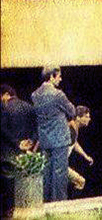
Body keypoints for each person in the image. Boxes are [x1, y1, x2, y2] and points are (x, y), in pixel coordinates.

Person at [31, 66, 76, 203]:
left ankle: (46, 202)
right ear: (51, 77)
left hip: (45, 139)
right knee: (60, 172)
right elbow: (72, 111)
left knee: (47, 172)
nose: (60, 79)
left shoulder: (35, 95)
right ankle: (59, 203)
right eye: (59, 76)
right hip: (60, 138)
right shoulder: (58, 94)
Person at [1, 85, 36, 218]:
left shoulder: (4, 108)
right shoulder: (29, 107)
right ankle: (24, 210)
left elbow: (3, 129)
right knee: (23, 180)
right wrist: (30, 142)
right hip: (25, 152)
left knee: (8, 183)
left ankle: (9, 211)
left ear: (6, 94)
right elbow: (36, 127)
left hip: (8, 152)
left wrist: (17, 143)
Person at [66, 106, 93, 192]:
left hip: (61, 164)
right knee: (80, 181)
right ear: (78, 117)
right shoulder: (69, 129)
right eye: (86, 117)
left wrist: (85, 156)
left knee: (80, 182)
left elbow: (74, 144)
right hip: (59, 164)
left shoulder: (74, 129)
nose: (89, 119)